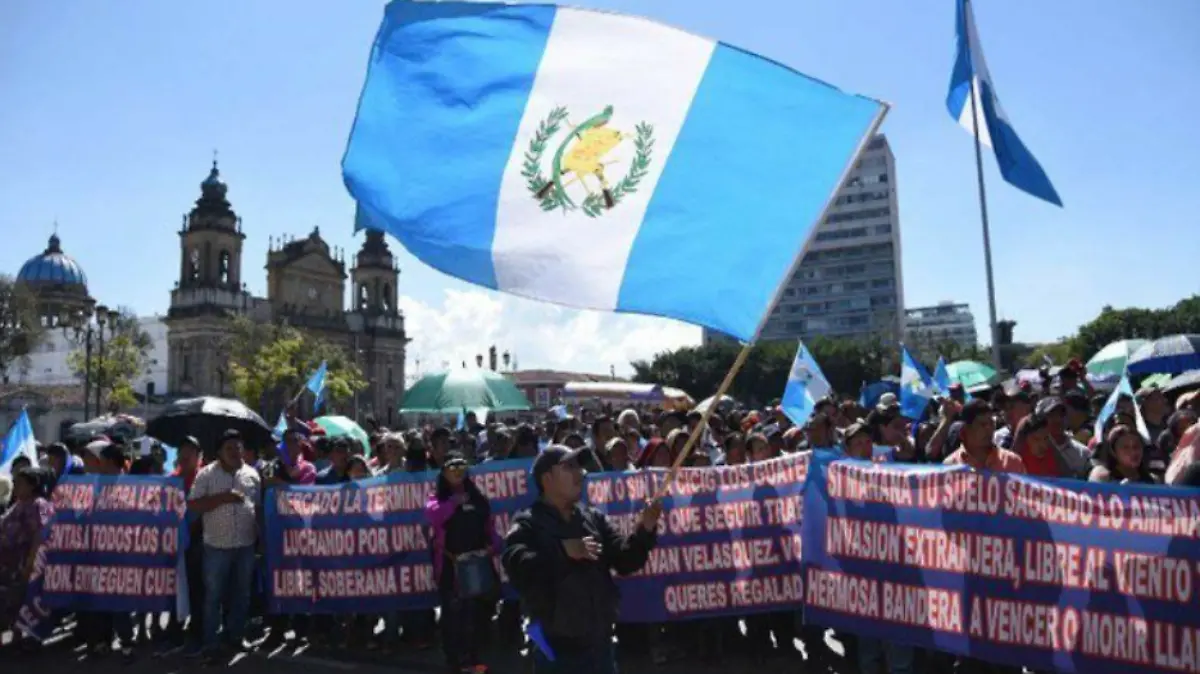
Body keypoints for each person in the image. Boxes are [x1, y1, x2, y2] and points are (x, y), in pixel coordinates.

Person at [502, 445, 663, 674]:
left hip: (600, 647)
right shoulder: (528, 524)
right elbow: (518, 566)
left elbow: (625, 561)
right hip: (556, 651)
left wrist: (645, 530)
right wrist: (562, 551)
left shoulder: (593, 518)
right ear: (547, 479)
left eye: (579, 467)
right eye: (569, 467)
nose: (580, 474)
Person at [187, 429, 261, 664]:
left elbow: (257, 509)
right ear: (219, 452)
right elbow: (194, 505)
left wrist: (263, 538)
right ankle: (211, 641)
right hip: (216, 546)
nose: (235, 451)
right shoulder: (206, 475)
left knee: (241, 594)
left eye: (238, 447)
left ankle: (236, 636)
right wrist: (223, 498)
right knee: (213, 597)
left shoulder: (252, 474)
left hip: (245, 546)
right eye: (229, 448)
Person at [426, 452, 502, 673]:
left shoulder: (478, 498)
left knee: (478, 613)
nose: (457, 473)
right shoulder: (438, 500)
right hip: (452, 566)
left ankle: (475, 658)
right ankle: (455, 660)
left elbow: (491, 531)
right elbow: (433, 516)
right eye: (452, 469)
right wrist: (452, 503)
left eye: (461, 468)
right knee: (453, 615)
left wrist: (494, 546)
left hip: (478, 564)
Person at [0, 467, 53, 631]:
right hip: (10, 562)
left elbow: (40, 535)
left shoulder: (38, 505)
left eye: (20, 483)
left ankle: (27, 639)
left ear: (31, 486)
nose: (15, 487)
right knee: (11, 601)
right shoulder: (18, 505)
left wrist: (30, 563)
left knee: (25, 601)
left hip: (27, 562)